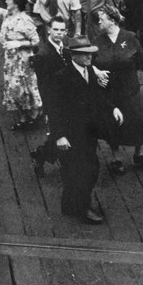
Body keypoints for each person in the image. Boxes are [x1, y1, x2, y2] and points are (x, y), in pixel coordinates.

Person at [48, 36, 123, 224]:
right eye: (85, 54)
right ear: (74, 55)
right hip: (71, 133)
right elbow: (54, 109)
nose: (90, 57)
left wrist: (112, 107)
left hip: (88, 131)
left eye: (90, 54)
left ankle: (70, 204)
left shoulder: (89, 70)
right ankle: (83, 208)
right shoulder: (62, 77)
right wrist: (60, 136)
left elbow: (96, 95)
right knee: (85, 170)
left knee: (79, 169)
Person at [94, 6, 143, 174]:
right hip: (109, 91)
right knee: (112, 124)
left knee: (139, 120)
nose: (98, 21)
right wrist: (96, 71)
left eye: (102, 18)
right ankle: (116, 158)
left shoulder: (130, 38)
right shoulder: (97, 41)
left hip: (130, 88)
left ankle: (139, 154)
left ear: (112, 21)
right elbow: (88, 62)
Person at [0, 0, 42, 130]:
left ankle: (35, 116)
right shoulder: (7, 15)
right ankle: (24, 118)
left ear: (16, 4)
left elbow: (36, 41)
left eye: (9, 0)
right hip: (11, 60)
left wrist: (19, 43)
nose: (6, 1)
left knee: (26, 87)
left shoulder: (25, 20)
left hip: (24, 60)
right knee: (14, 88)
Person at [30, 16, 70, 176]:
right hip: (55, 102)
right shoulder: (43, 54)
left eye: (62, 30)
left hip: (69, 98)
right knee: (61, 134)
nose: (59, 33)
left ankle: (40, 155)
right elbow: (45, 87)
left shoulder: (65, 50)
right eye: (56, 29)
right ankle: (45, 156)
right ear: (49, 30)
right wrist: (48, 110)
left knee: (65, 134)